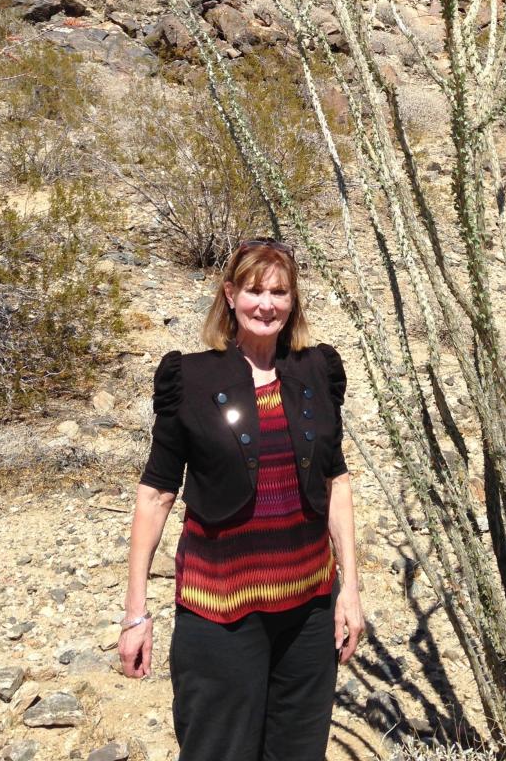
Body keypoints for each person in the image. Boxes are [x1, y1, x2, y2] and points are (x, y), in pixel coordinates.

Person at [118, 238, 363, 761]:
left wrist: (350, 592)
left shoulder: (317, 372)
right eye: (254, 290)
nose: (266, 303)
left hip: (309, 611)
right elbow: (157, 492)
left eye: (279, 291)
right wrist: (136, 613)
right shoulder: (192, 379)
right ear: (230, 295)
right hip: (220, 613)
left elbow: (335, 481)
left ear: (293, 300)